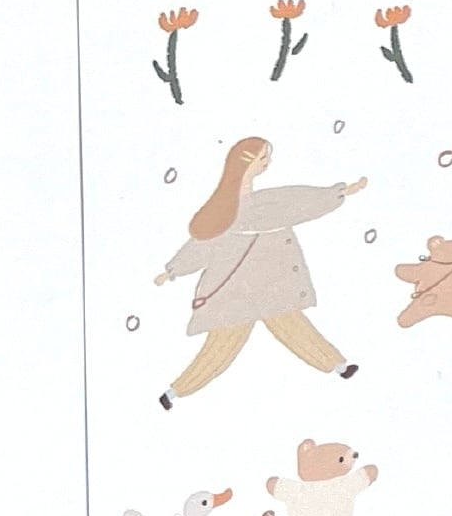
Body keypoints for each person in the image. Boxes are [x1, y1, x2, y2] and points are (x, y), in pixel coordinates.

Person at [154, 139, 363, 407]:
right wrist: (172, 270)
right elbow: (202, 246)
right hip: (237, 294)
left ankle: (337, 366)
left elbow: (303, 200)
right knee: (221, 347)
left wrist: (341, 192)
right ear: (246, 165)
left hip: (271, 286)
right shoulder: (228, 209)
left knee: (296, 330)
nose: (268, 163)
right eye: (263, 159)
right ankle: (175, 391)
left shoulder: (269, 201)